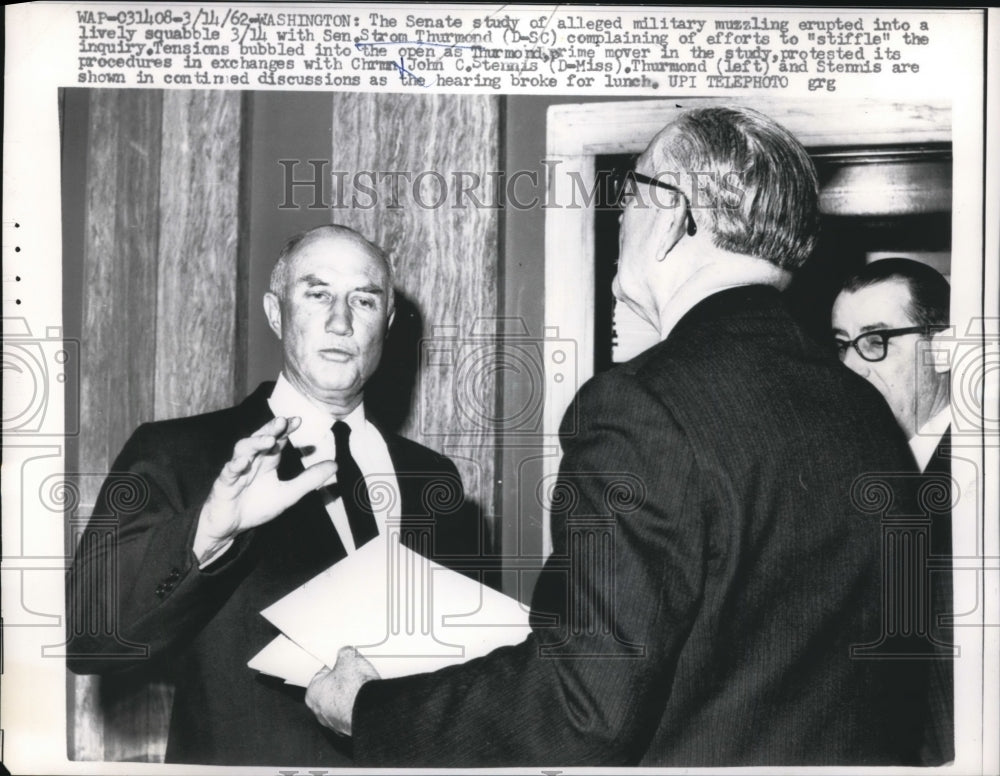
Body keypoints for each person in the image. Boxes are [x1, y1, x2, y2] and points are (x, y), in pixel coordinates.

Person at [305, 108, 929, 766]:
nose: (620, 219)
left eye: (629, 196)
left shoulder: (640, 406)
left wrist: (371, 709)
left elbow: (580, 708)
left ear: (671, 213)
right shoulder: (863, 409)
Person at [65, 225, 485, 766]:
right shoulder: (179, 452)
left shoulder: (434, 478)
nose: (341, 320)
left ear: (388, 322)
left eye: (364, 298)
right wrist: (209, 533)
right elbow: (90, 640)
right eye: (317, 294)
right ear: (274, 311)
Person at [832, 258, 954, 764]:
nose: (854, 366)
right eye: (842, 344)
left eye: (877, 341)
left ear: (943, 348)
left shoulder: (978, 472)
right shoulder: (851, 469)